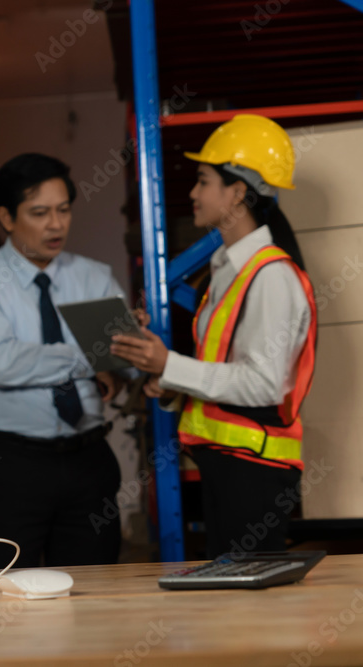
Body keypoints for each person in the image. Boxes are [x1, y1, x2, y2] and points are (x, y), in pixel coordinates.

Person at [110, 114, 316, 558]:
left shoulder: (271, 276)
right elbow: (226, 372)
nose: (192, 194)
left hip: (256, 470)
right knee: (232, 613)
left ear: (238, 192)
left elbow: (263, 383)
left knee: (249, 614)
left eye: (203, 181)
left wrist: (169, 364)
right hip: (228, 463)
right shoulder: (227, 271)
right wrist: (168, 383)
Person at [0, 153, 132, 569]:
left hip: (89, 461)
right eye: (40, 212)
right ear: (7, 217)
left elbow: (124, 361)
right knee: (4, 595)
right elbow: (3, 364)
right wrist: (92, 359)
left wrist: (122, 362)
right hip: (9, 465)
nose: (56, 224)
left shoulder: (94, 277)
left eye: (64, 210)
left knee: (95, 594)